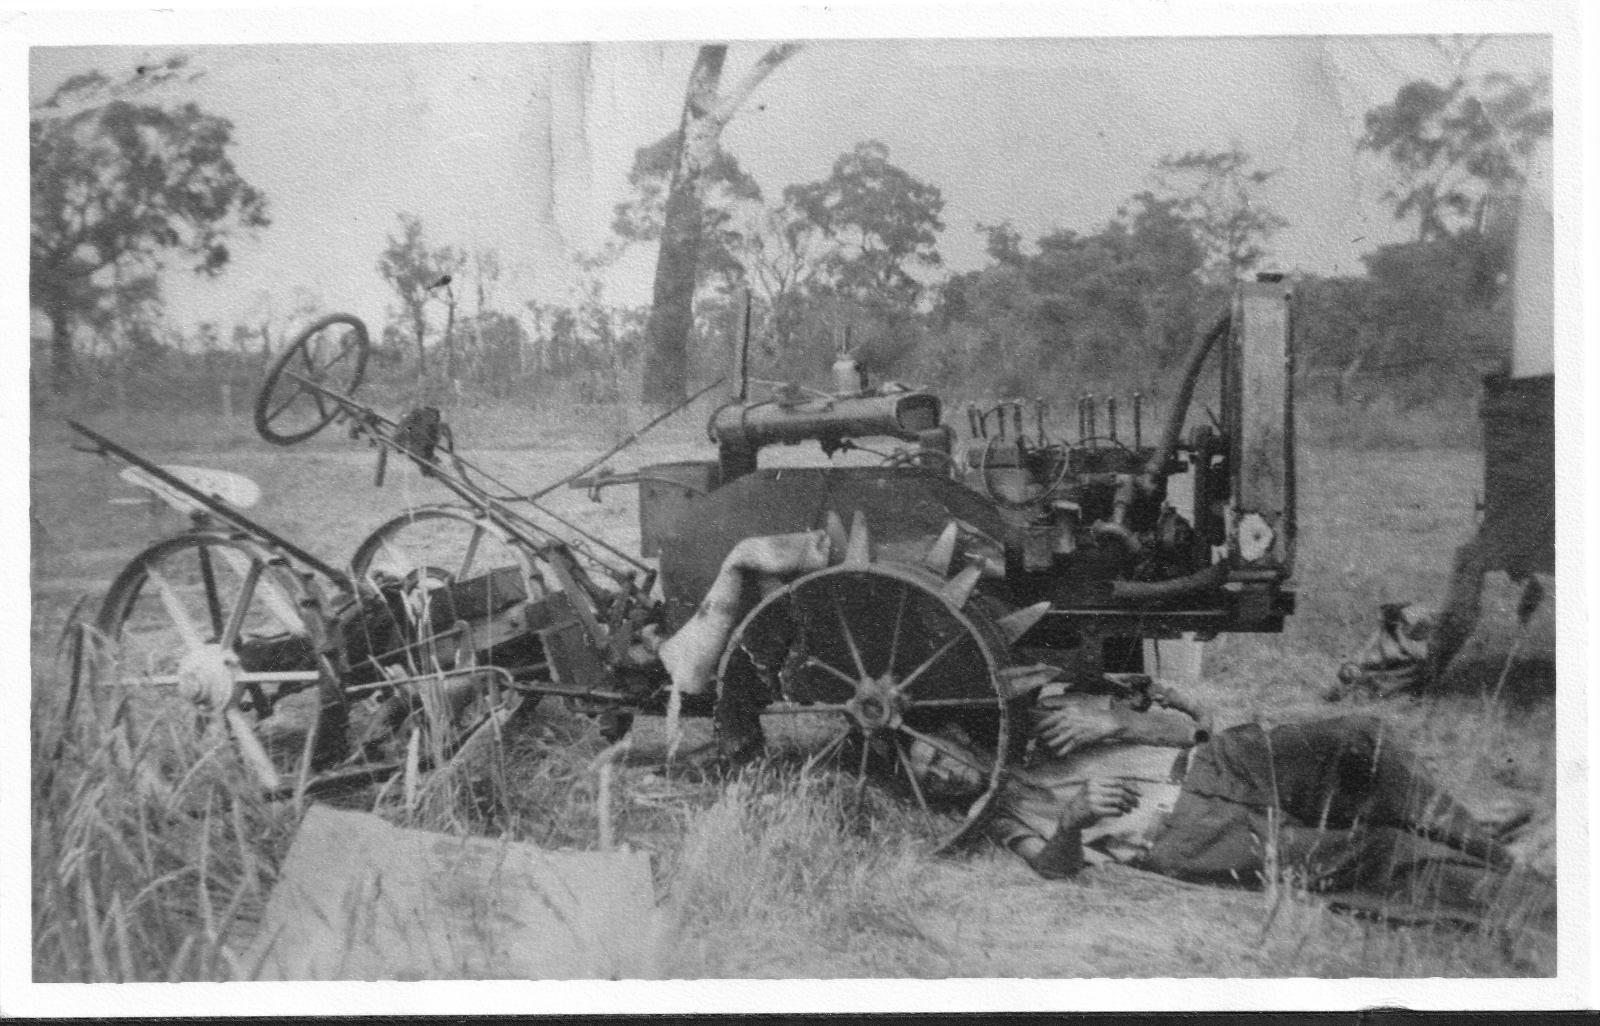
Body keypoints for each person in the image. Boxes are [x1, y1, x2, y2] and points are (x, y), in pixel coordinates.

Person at [932, 678, 1550, 931]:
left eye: (936, 752)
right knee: (1374, 854)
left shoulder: (1040, 719)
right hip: (1188, 832)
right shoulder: (1000, 819)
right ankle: (1539, 904)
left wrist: (1119, 716)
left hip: (1218, 762)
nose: (943, 769)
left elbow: (1189, 730)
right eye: (930, 776)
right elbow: (1050, 866)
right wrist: (1072, 822)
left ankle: (1484, 844)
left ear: (954, 735)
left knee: (1358, 741)